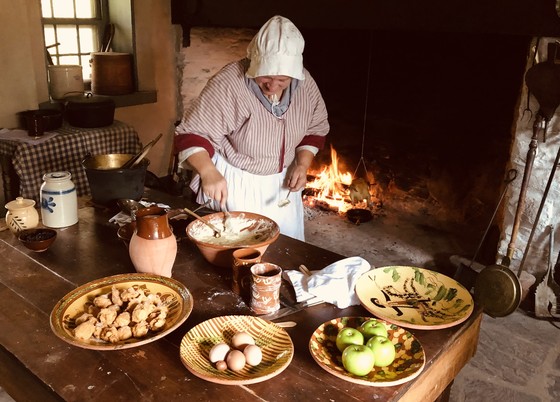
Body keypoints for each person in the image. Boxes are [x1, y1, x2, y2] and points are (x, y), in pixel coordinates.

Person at [174, 15, 329, 241]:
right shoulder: (230, 83)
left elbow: (315, 129)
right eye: (265, 76)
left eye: (282, 80)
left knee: (285, 252)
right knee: (240, 251)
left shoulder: (305, 84)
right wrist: (208, 172)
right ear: (254, 63)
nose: (272, 86)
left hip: (283, 187)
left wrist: (303, 164)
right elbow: (192, 134)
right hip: (238, 185)